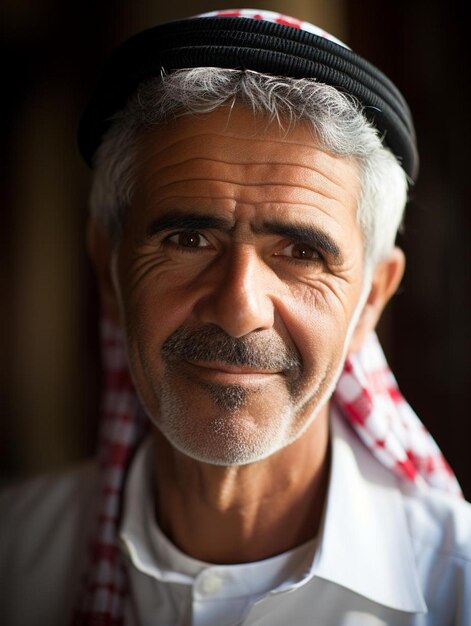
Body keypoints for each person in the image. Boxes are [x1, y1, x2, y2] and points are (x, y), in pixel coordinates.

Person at [1, 8, 470, 626]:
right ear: (108, 270)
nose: (239, 306)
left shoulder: (455, 585)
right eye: (188, 240)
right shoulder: (15, 555)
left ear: (372, 299)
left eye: (302, 253)